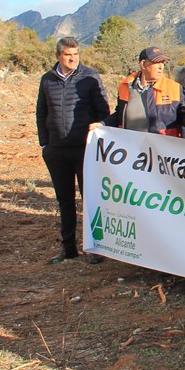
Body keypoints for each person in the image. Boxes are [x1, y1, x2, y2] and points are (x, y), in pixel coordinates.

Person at [36, 37, 110, 264]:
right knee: (64, 200)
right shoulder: (47, 79)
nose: (73, 58)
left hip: (83, 149)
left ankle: (96, 248)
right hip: (56, 151)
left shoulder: (90, 76)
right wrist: (45, 143)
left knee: (90, 197)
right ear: (59, 55)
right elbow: (41, 112)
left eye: (76, 54)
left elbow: (103, 111)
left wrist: (96, 134)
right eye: (68, 54)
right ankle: (68, 248)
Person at [102, 47, 185, 136]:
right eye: (157, 62)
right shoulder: (125, 86)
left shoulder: (173, 87)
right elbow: (119, 114)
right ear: (143, 64)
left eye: (163, 63)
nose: (161, 67)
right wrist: (102, 124)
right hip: (131, 150)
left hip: (161, 150)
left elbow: (184, 109)